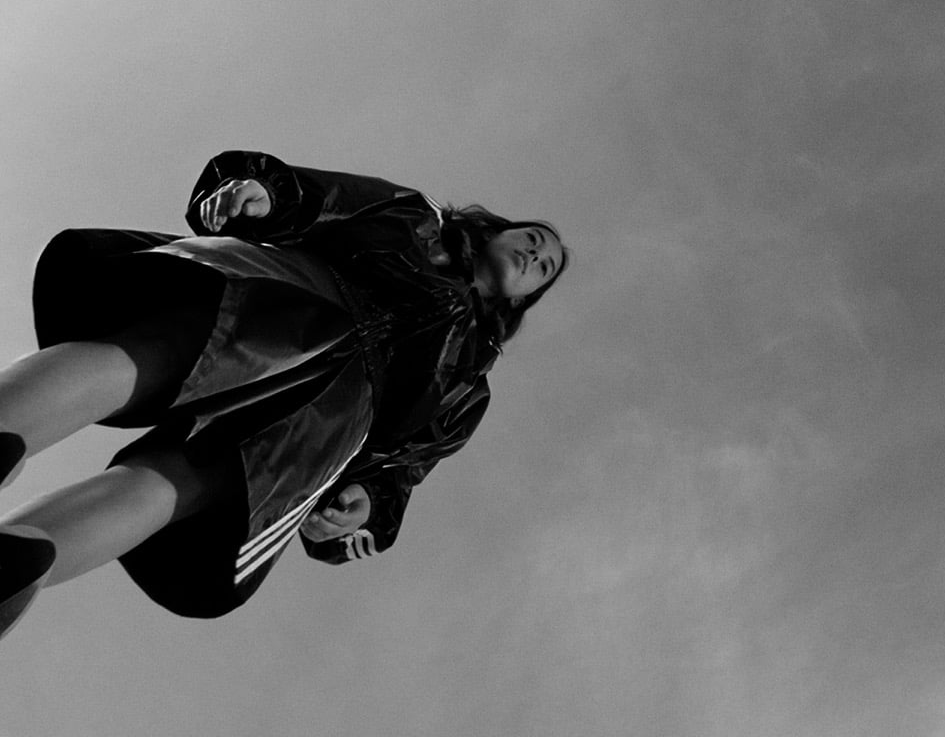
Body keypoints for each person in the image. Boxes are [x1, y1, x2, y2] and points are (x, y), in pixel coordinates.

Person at [0, 150, 568, 639]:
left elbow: (404, 468)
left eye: (544, 267)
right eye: (535, 239)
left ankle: (15, 564)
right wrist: (264, 193)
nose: (535, 255)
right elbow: (325, 198)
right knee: (151, 359)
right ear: (501, 229)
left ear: (526, 297)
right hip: (286, 300)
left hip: (325, 426)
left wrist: (366, 503)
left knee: (189, 484)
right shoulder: (418, 217)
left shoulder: (467, 389)